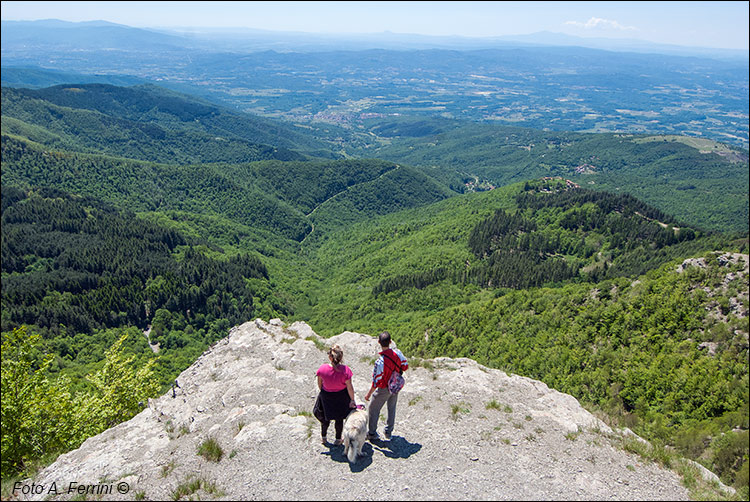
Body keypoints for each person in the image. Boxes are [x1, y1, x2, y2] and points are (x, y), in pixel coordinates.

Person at [364, 331, 408, 441]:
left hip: (384, 388)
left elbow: (376, 381)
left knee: (373, 409)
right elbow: (405, 366)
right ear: (390, 341)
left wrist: (369, 394)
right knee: (392, 407)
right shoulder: (398, 353)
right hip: (395, 385)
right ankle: (389, 431)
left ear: (379, 342)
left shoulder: (380, 362)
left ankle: (372, 433)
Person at [314, 344, 357, 445]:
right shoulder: (346, 371)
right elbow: (349, 387)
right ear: (341, 357)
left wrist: (324, 391)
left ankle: (324, 438)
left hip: (326, 396)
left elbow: (320, 384)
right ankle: (338, 439)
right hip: (341, 397)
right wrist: (352, 400)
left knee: (325, 418)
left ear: (330, 357)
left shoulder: (322, 369)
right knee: (339, 419)